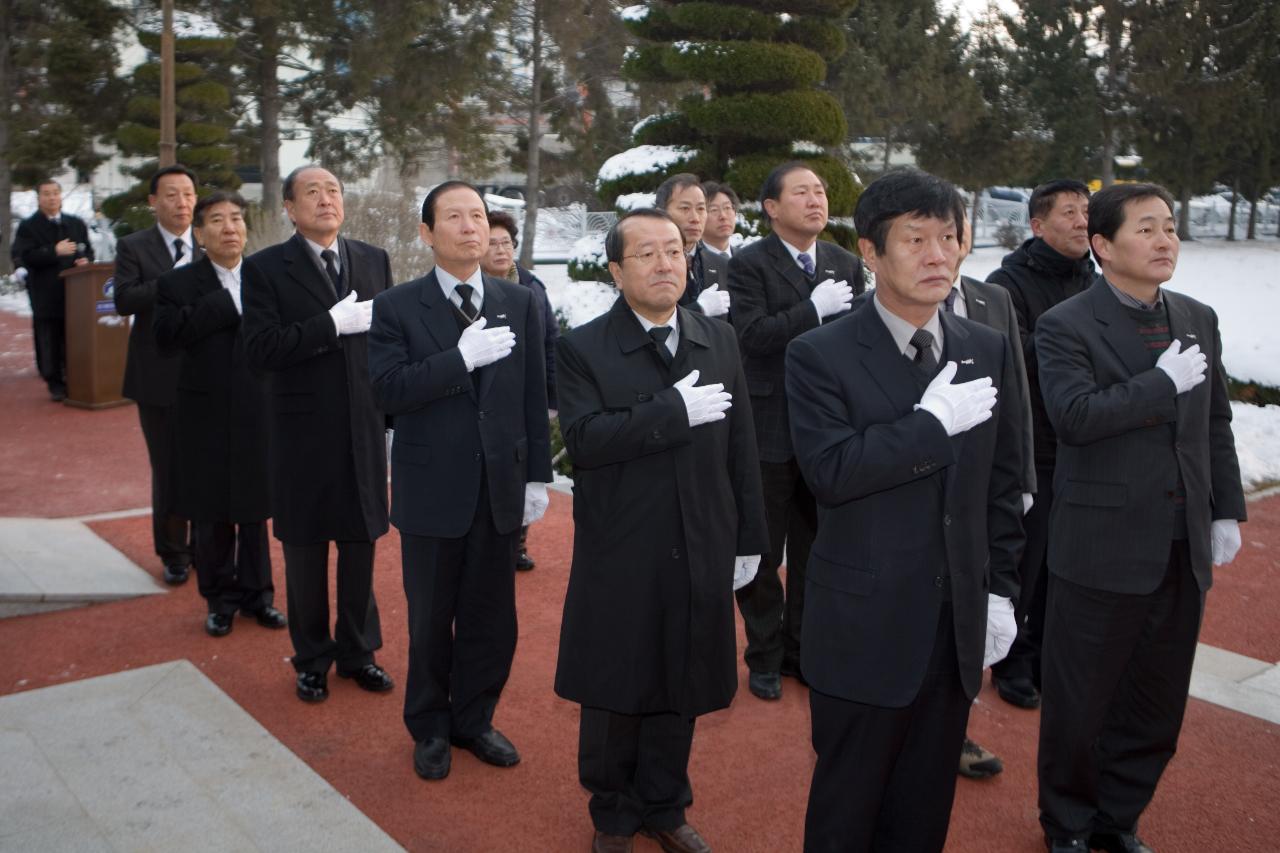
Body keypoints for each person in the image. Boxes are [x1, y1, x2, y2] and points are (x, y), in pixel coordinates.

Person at [786, 169, 1023, 853]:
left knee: (923, 811)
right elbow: (830, 472)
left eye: (949, 237)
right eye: (915, 239)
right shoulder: (819, 354)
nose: (938, 255)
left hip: (953, 627)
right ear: (869, 252)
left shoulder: (988, 347)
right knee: (846, 810)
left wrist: (1001, 589)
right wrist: (930, 425)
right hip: (864, 626)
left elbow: (1004, 483)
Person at [1034, 183, 1245, 853]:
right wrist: (1160, 383)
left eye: (1170, 228)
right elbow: (1075, 416)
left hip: (1180, 546)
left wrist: (1225, 510)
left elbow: (1215, 425)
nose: (1165, 241)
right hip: (1100, 545)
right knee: (1080, 702)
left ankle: (1118, 817)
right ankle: (1066, 824)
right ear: (1103, 245)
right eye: (1147, 228)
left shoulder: (1196, 316)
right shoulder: (1065, 324)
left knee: (1156, 702)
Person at [554, 208, 767, 853]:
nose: (664, 263)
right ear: (617, 271)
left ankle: (665, 804)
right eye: (645, 253)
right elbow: (585, 443)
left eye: (673, 250)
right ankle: (613, 812)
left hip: (702, 535)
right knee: (619, 681)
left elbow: (742, 448)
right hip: (624, 543)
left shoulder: (718, 339)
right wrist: (671, 410)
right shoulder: (583, 347)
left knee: (683, 674)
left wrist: (750, 537)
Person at [368, 180, 553, 782]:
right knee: (430, 617)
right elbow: (386, 391)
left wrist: (537, 478)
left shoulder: (518, 299)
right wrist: (458, 360)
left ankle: (475, 719)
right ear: (427, 233)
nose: (471, 226)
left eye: (477, 215)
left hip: (499, 488)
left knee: (491, 618)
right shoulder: (397, 305)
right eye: (455, 216)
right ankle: (429, 726)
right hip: (432, 490)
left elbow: (532, 393)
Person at [242, 165, 394, 703]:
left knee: (360, 548)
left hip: (363, 430)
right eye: (312, 192)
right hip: (301, 436)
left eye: (333, 190)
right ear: (289, 206)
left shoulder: (373, 259)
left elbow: (389, 346)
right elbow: (260, 350)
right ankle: (311, 658)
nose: (326, 199)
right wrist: (329, 325)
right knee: (305, 554)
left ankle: (359, 652)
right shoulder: (264, 269)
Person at [726, 161, 862, 701]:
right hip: (769, 425)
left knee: (817, 547)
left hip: (827, 427)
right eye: (801, 192)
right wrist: (812, 309)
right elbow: (752, 336)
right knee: (762, 547)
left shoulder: (844, 262)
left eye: (821, 191)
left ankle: (802, 647)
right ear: (772, 207)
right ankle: (764, 653)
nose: (816, 200)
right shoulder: (748, 265)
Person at [986, 180, 1097, 710]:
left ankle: (1047, 655)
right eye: (1070, 213)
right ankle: (1010, 662)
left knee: (1071, 565)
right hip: (1038, 447)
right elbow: (1016, 359)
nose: (1082, 222)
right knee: (1027, 563)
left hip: (1090, 444)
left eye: (1087, 213)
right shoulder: (1007, 284)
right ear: (1037, 225)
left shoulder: (1094, 277)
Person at [153, 191, 284, 637]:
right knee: (211, 513)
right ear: (200, 233)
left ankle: (258, 596)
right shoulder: (177, 284)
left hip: (258, 407)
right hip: (203, 413)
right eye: (217, 221)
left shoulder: (267, 276)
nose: (229, 228)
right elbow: (166, 338)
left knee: (254, 509)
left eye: (236, 219)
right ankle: (219, 599)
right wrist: (224, 303)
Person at [950, 213, 1038, 780]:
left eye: (952, 233)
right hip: (918, 483)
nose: (941, 248)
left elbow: (1017, 398)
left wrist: (1023, 475)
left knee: (979, 609)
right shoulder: (874, 305)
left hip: (986, 484)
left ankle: (955, 728)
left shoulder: (992, 300)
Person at [114, 165, 202, 586]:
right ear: (153, 202)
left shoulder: (212, 240)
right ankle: (174, 552)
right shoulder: (134, 246)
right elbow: (125, 299)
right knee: (169, 468)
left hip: (210, 376)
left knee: (211, 463)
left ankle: (208, 546)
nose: (182, 202)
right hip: (157, 376)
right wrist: (177, 281)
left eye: (188, 194)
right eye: (171, 194)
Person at [482, 209, 559, 571]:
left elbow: (550, 343)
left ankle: (519, 542)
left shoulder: (533, 287)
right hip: (486, 395)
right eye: (492, 243)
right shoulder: (472, 287)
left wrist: (552, 397)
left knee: (524, 468)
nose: (501, 250)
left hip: (527, 394)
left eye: (506, 243)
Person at [12, 179, 93, 400]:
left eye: (56, 193)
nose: (52, 198)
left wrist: (84, 260)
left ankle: (73, 376)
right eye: (46, 194)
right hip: (45, 290)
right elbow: (24, 255)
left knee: (72, 335)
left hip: (75, 291)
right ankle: (54, 381)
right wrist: (53, 251)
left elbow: (87, 249)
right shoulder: (29, 227)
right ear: (39, 198)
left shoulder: (75, 224)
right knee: (49, 336)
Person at [654, 173, 730, 318]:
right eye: (685, 208)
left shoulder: (722, 264)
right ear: (660, 213)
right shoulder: (647, 265)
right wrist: (700, 308)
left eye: (701, 209)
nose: (695, 218)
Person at [698, 181, 739, 290]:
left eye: (727, 208)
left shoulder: (746, 259)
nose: (723, 216)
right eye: (714, 210)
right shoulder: (693, 262)